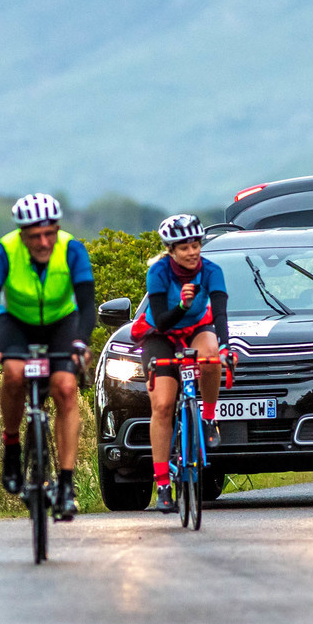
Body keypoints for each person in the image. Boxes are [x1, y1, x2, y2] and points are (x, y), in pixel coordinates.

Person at [0, 193, 95, 519]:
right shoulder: (5, 250)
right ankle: (12, 446)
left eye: (49, 233)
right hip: (17, 322)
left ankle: (66, 484)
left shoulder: (71, 249)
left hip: (61, 321)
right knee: (14, 374)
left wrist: (81, 343)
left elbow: (87, 305)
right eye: (35, 236)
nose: (44, 242)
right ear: (22, 234)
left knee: (66, 388)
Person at [133, 213, 230, 513]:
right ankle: (163, 483)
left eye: (196, 245)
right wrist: (183, 305)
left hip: (197, 329)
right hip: (160, 333)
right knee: (162, 406)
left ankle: (209, 418)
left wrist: (226, 348)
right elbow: (162, 320)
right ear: (171, 250)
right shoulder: (158, 272)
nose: (192, 252)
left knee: (211, 358)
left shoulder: (212, 271)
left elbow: (220, 314)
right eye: (184, 247)